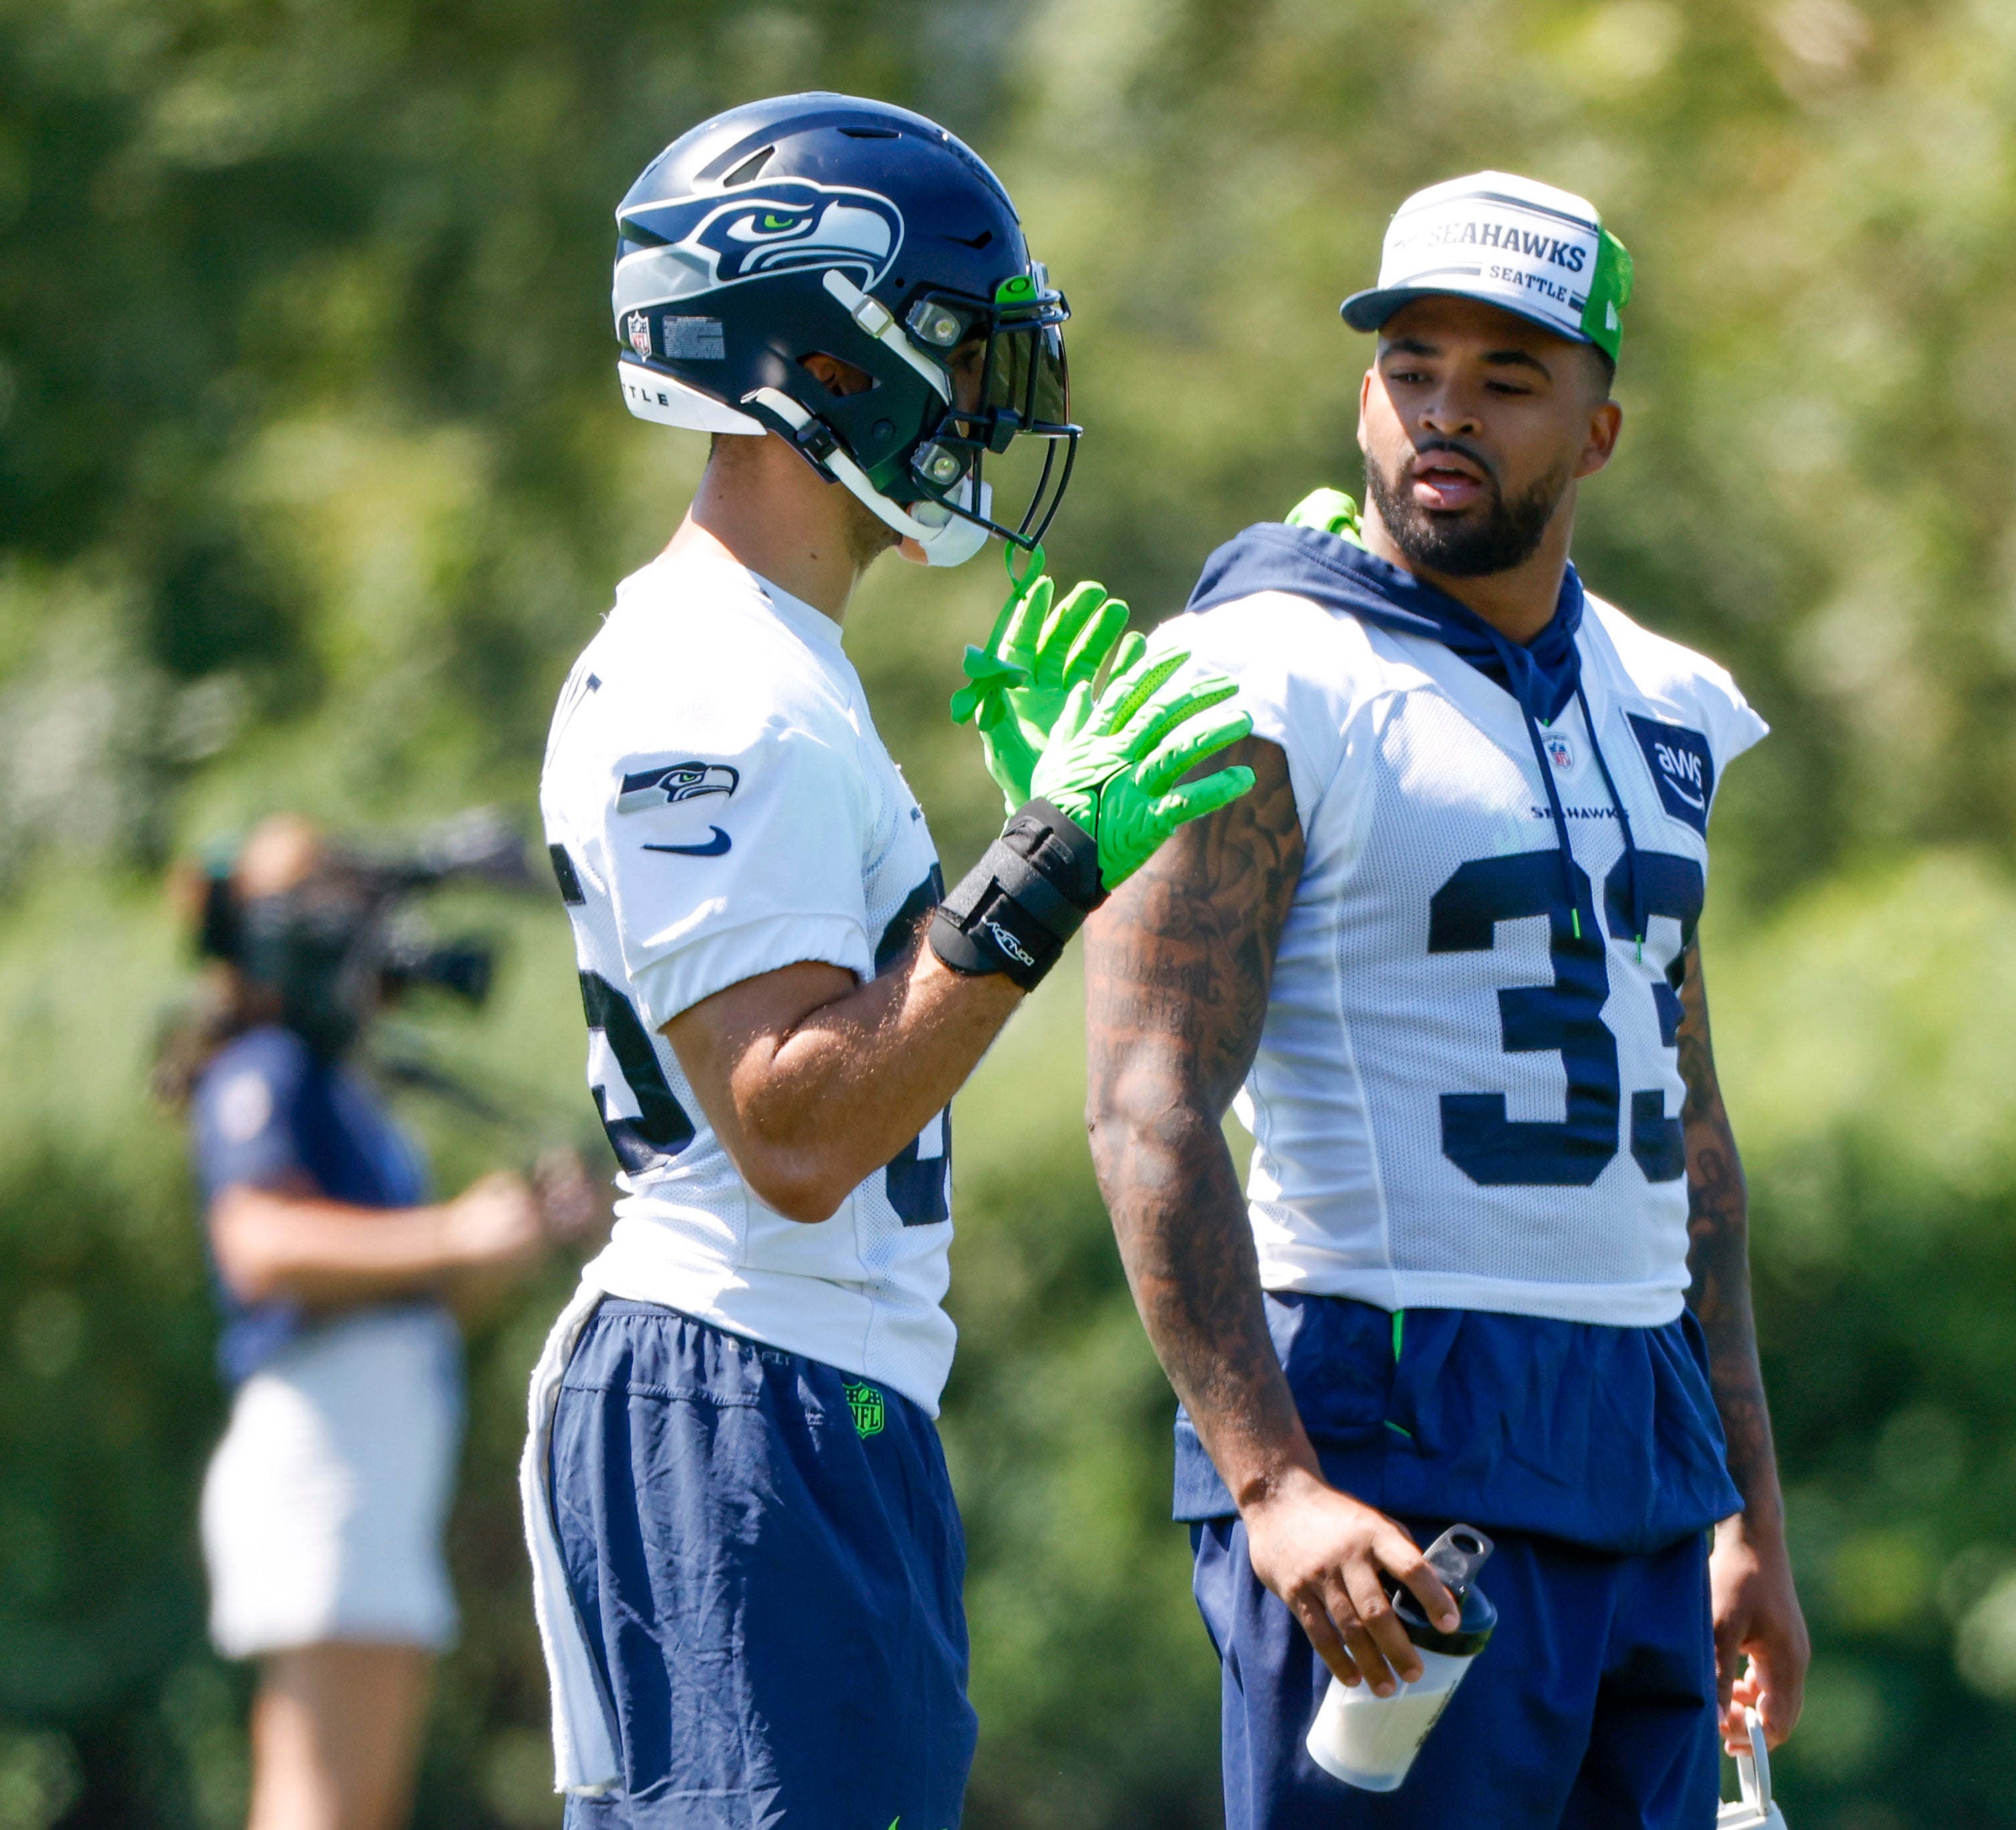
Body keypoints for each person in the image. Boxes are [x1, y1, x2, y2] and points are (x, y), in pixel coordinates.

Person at [519, 93, 1254, 1830]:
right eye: (957, 352)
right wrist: (1043, 860)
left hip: (816, 1392)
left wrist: (1010, 857)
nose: (988, 406)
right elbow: (789, 1129)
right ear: (823, 355)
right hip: (728, 1380)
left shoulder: (781, 659)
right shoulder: (711, 673)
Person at [1082, 171, 1812, 1829]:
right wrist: (1270, 1485)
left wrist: (1745, 1510)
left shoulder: (1670, 700)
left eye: (1505, 378)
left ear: (1598, 430)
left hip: (1638, 1440)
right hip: (1385, 1418)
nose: (1445, 413)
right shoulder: (1260, 668)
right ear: (1362, 393)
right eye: (1413, 367)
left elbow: (1685, 1133)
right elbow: (1146, 1098)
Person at [167, 813, 594, 1830]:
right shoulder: (264, 1067)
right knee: (319, 1801)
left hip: (371, 1459)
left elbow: (416, 1294)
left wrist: (509, 1237)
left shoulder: (339, 1081)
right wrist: (452, 1233)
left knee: (355, 1802)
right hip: (325, 1455)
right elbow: (260, 1244)